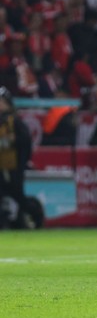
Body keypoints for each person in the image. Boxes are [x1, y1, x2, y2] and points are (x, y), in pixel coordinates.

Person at [0, 86, 35, 229]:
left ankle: (33, 215)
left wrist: (13, 141)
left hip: (13, 166)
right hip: (2, 165)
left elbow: (25, 141)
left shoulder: (14, 121)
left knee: (17, 195)